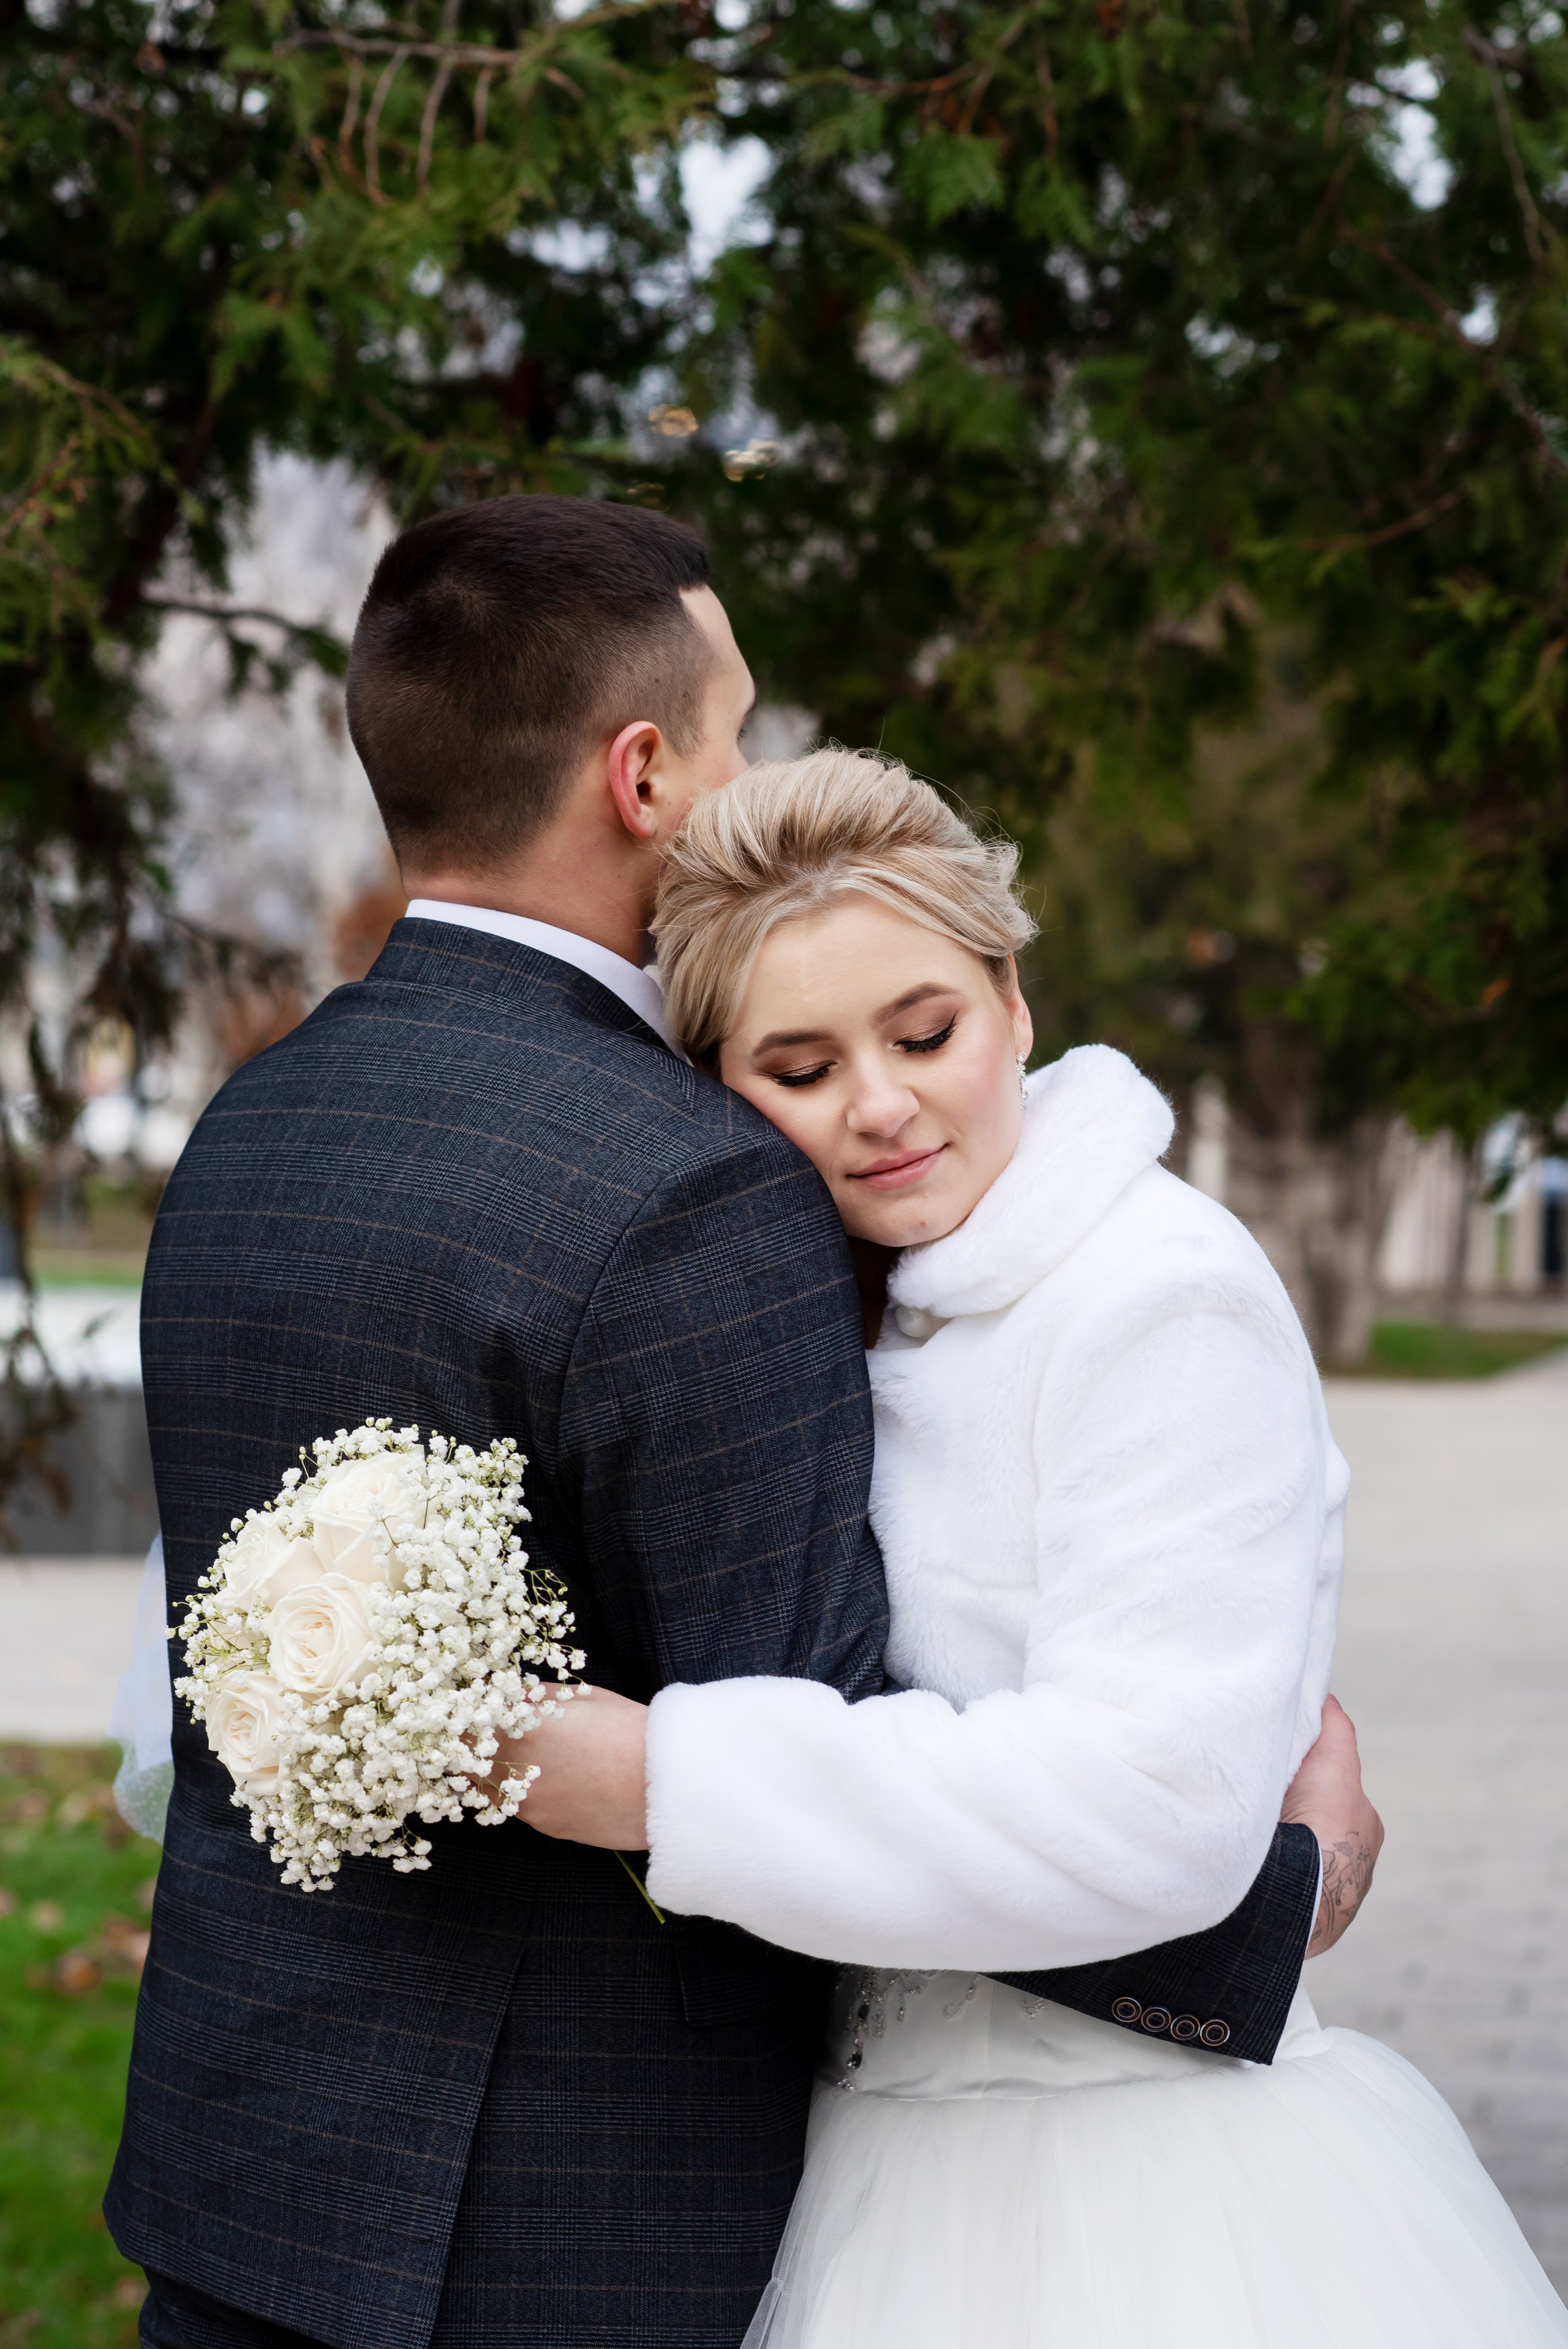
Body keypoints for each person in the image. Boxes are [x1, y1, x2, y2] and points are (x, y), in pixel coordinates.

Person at [107, 497, 1373, 2349]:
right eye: (736, 729)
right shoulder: (694, 1188)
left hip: (239, 2175)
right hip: (568, 2232)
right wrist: (1272, 1892)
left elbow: (219, 1678)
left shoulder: (256, 1128)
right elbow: (813, 1715)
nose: (747, 772)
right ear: (643, 773)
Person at [513, 748, 1568, 2348]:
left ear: (1012, 999)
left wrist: (659, 1778)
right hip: (879, 2147)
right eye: (798, 1067)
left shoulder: (1156, 1297)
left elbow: (1145, 1809)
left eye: (923, 1030)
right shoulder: (851, 1304)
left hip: (1132, 2184)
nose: (879, 1103)